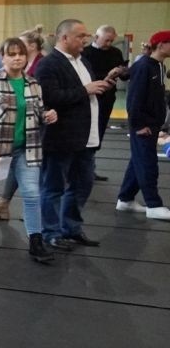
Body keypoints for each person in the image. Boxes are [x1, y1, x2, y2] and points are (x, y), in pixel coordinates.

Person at [0, 37, 58, 262]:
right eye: (12, 54)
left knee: (32, 194)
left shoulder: (33, 84)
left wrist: (47, 115)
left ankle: (36, 242)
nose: (17, 58)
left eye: (21, 54)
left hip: (26, 149)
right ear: (2, 57)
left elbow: (37, 113)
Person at [35, 19, 114, 250]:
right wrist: (85, 90)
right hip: (61, 139)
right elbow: (49, 98)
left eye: (86, 36)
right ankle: (50, 233)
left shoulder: (83, 62)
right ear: (64, 38)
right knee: (53, 188)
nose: (85, 40)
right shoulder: (48, 65)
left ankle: (71, 228)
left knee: (82, 186)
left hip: (85, 138)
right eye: (80, 36)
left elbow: (83, 94)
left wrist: (101, 86)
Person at [116, 31, 170, 220]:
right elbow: (134, 97)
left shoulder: (159, 66)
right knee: (148, 163)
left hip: (153, 123)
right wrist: (138, 124)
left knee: (138, 162)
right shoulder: (143, 66)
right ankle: (153, 204)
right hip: (143, 125)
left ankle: (125, 199)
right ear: (161, 45)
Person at [81, 25, 130, 153]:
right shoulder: (84, 53)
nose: (109, 44)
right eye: (106, 40)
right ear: (96, 37)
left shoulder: (116, 52)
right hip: (88, 98)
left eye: (111, 41)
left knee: (100, 129)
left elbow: (124, 77)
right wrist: (107, 76)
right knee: (86, 130)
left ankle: (92, 159)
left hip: (107, 98)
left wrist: (123, 71)